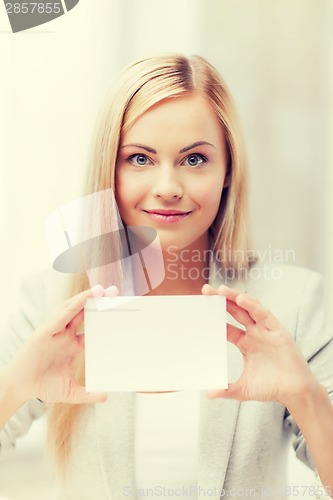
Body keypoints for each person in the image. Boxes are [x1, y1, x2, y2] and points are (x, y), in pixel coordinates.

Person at [0, 53, 333, 500]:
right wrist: (13, 387)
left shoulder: (293, 301)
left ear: (227, 170)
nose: (168, 186)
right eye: (139, 159)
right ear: (109, 172)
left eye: (194, 159)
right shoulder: (50, 301)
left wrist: (305, 398)